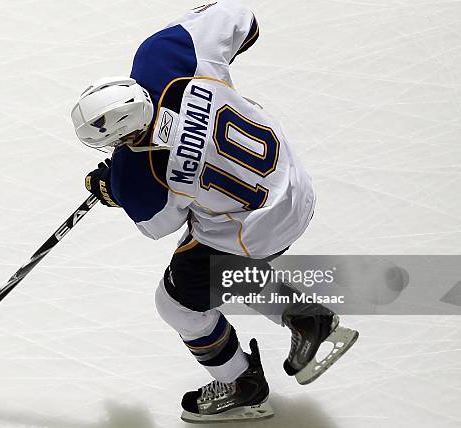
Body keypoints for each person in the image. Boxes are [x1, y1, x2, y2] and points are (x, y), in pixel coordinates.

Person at [71, 0, 358, 423]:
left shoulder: (140, 182)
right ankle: (307, 321)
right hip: (293, 182)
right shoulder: (165, 54)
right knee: (213, 267)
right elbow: (244, 20)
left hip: (260, 227)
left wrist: (113, 187)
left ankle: (242, 386)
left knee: (178, 303)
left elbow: (160, 225)